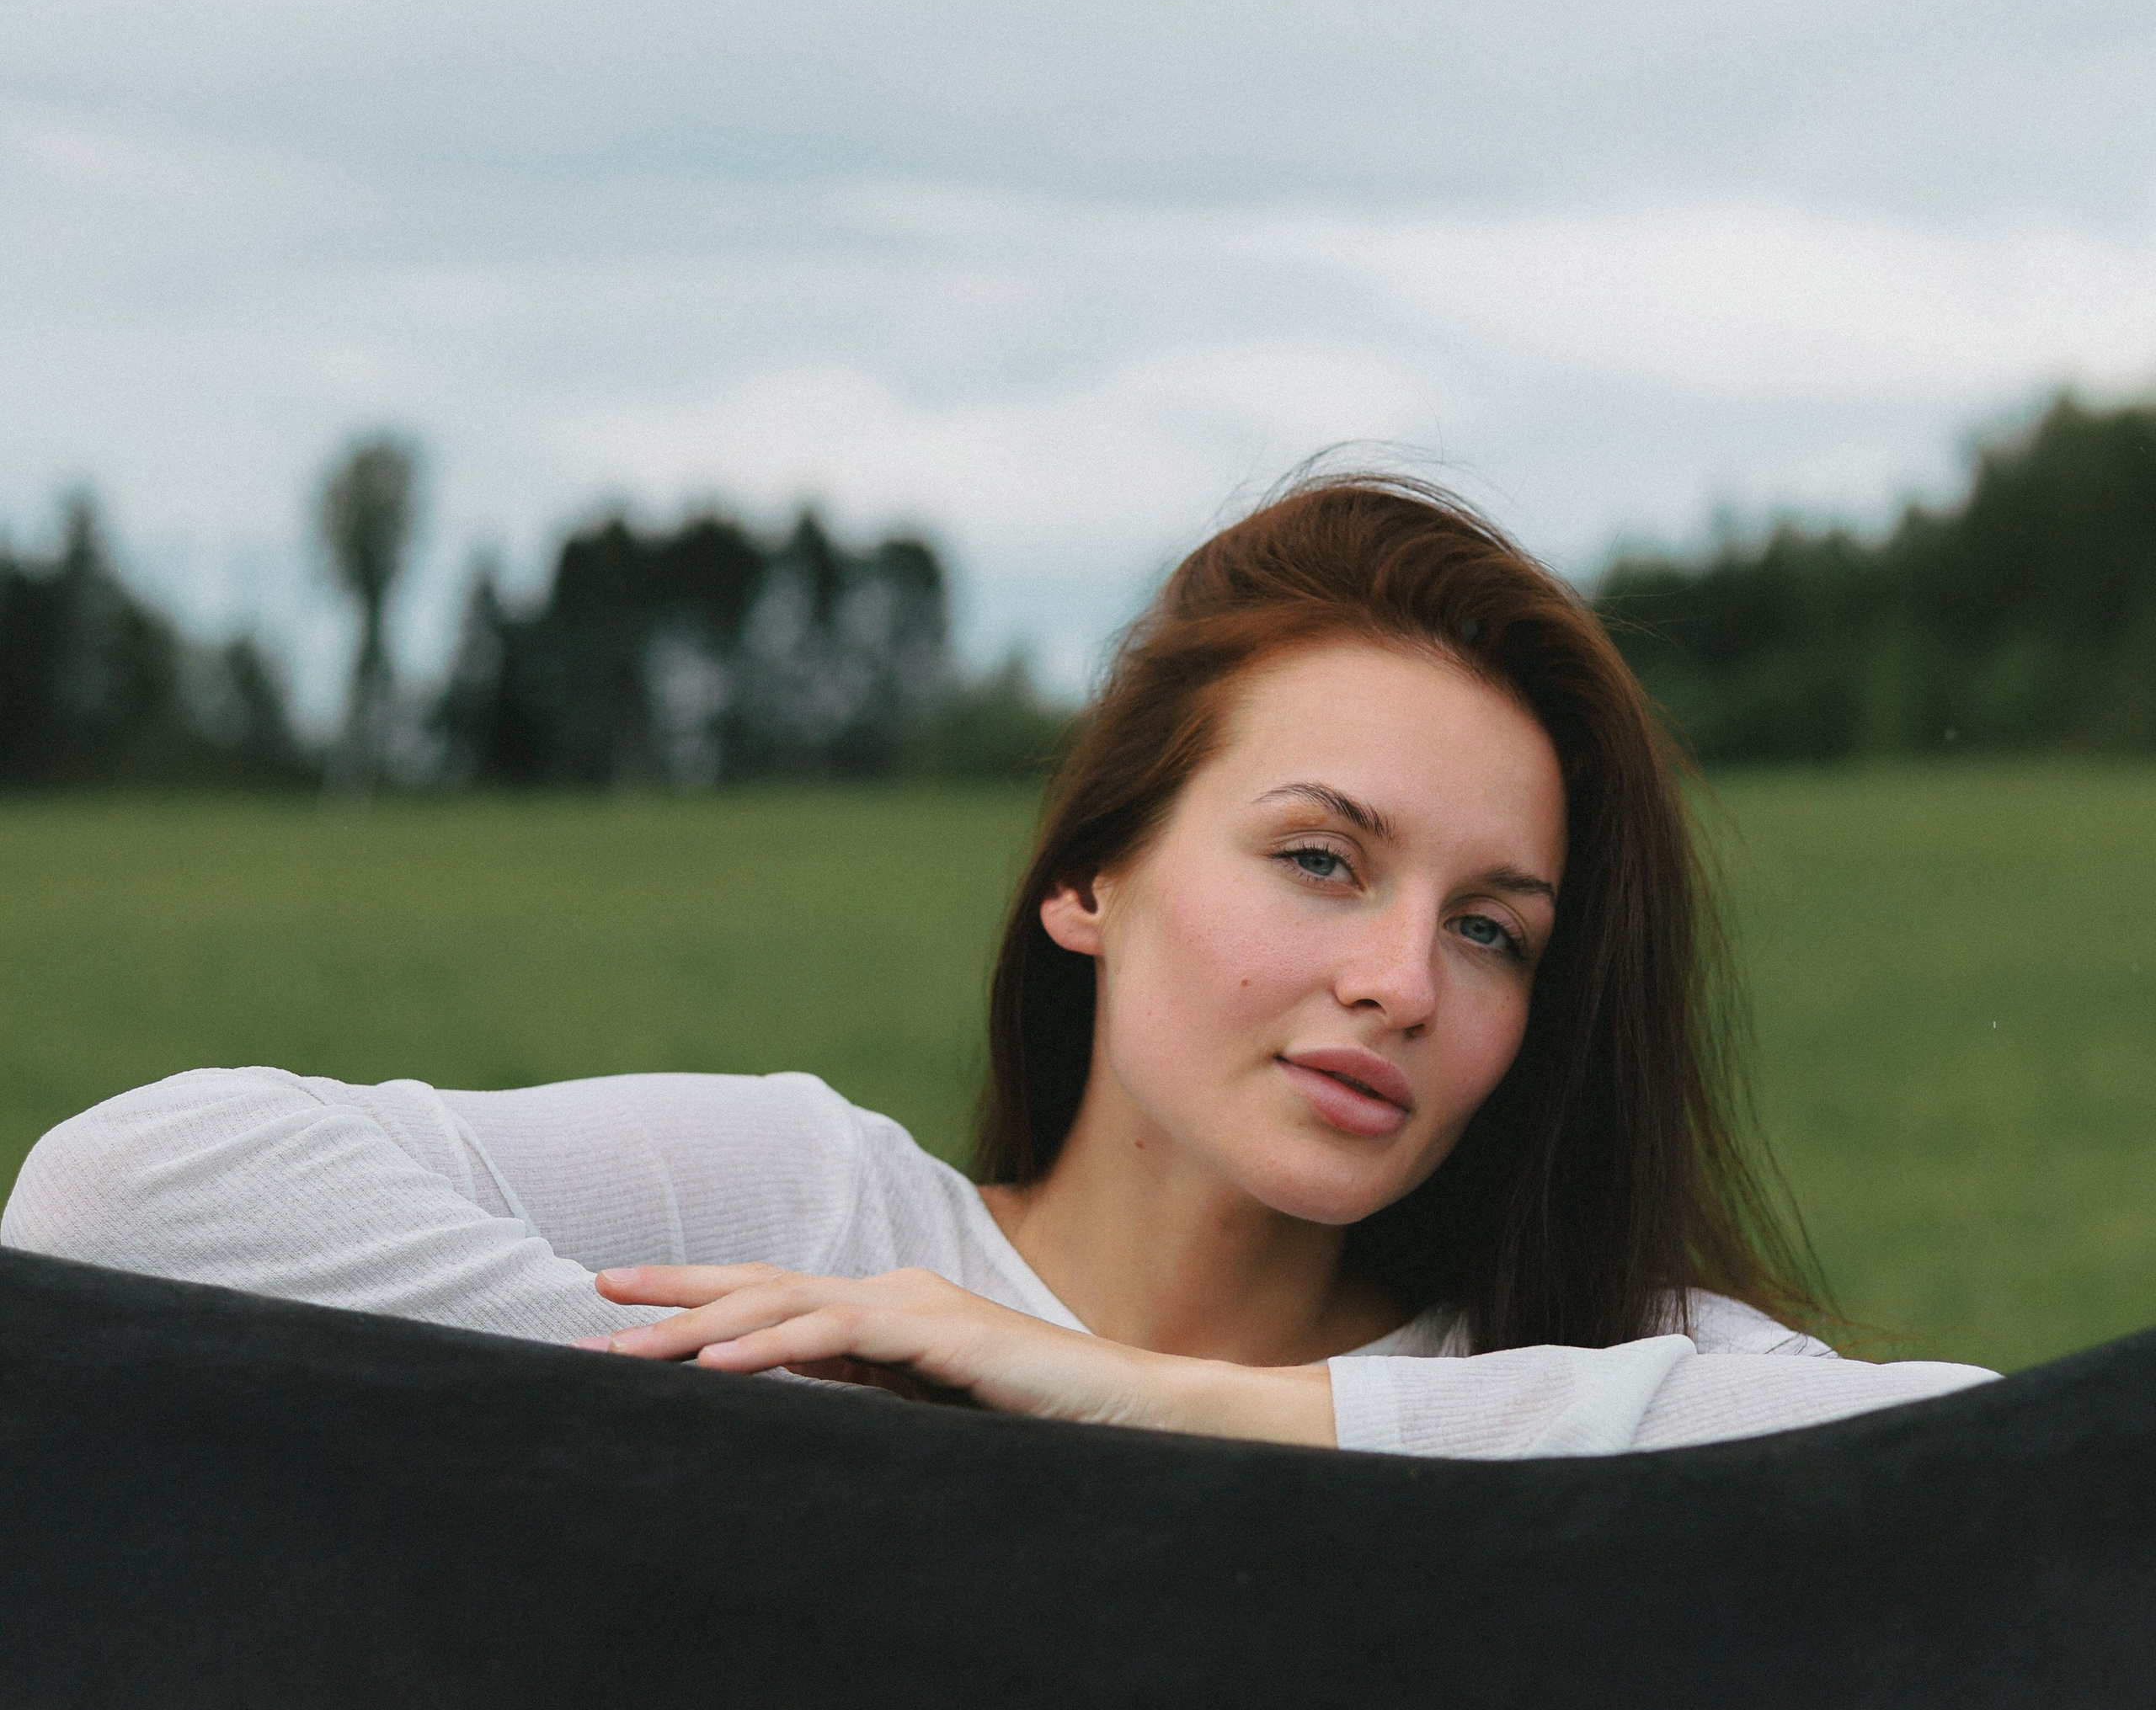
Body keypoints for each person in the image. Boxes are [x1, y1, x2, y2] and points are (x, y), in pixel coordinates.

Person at [1, 476, 1993, 1457]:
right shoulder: (809, 1219)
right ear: (1092, 880)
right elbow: (127, 1191)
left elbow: (2003, 1477)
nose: (1401, 977)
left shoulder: (1549, 1367)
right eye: (1319, 859)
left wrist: (1132, 1409)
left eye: (1492, 931)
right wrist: (870, 1436)